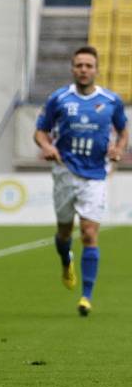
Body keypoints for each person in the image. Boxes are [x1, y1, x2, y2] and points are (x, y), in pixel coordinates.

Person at [33, 46, 128, 316]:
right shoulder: (59, 98)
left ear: (96, 70)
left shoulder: (111, 101)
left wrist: (119, 149)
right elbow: (40, 132)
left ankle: (86, 296)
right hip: (64, 172)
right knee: (64, 234)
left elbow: (123, 131)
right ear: (73, 69)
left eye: (89, 65)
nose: (84, 70)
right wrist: (47, 146)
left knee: (88, 233)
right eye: (79, 65)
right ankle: (66, 259)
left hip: (96, 175)